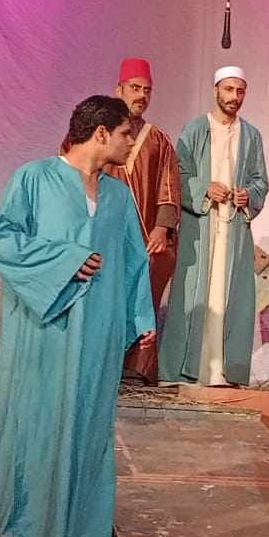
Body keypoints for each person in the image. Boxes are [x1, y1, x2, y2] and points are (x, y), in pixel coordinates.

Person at [0, 95, 155, 537]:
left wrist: (141, 317)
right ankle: (23, 529)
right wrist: (65, 259)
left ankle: (80, 532)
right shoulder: (33, 178)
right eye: (125, 134)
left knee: (90, 420)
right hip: (46, 324)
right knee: (37, 416)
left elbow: (134, 259)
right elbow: (4, 241)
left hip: (99, 325)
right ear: (100, 133)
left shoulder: (118, 195)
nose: (131, 143)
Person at [159, 66, 269, 387]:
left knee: (230, 297)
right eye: (229, 89)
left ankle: (221, 371)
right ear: (216, 90)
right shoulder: (196, 129)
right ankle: (183, 370)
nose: (235, 97)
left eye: (240, 91)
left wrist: (248, 195)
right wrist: (204, 188)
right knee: (193, 295)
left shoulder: (251, 135)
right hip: (201, 227)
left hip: (234, 229)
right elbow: (177, 174)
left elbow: (261, 181)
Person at [78, 58, 180, 383]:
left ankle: (136, 369)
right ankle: (97, 364)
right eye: (135, 88)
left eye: (147, 90)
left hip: (145, 239)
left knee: (142, 296)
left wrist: (162, 228)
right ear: (119, 89)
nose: (142, 95)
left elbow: (168, 185)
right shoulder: (99, 134)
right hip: (105, 235)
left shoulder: (158, 139)